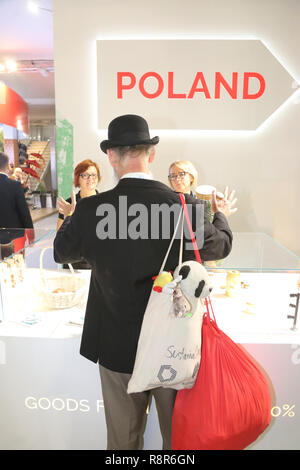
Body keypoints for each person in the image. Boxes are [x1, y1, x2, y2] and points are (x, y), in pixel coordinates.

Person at [53, 114, 236, 450]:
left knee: (122, 444)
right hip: (174, 344)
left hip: (114, 341)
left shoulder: (93, 209)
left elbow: (61, 251)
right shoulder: (184, 206)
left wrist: (73, 218)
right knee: (178, 441)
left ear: (111, 156)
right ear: (151, 155)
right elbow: (221, 244)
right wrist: (219, 213)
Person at [57, 159, 101, 269]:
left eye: (93, 175)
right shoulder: (69, 203)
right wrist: (70, 216)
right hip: (73, 262)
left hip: (97, 263)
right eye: (85, 175)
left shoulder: (104, 203)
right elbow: (60, 237)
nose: (90, 179)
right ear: (78, 178)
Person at [0, 152, 33, 229]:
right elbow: (24, 213)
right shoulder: (15, 185)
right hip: (12, 233)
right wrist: (30, 233)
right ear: (8, 166)